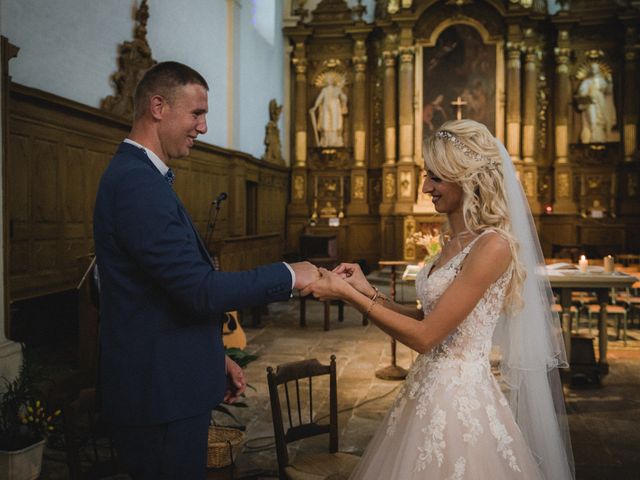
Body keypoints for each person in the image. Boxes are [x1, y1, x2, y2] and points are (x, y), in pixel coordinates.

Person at [302, 119, 575, 479]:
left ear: (466, 177)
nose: (425, 186)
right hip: (426, 388)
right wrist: (365, 290)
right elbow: (424, 317)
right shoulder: (450, 242)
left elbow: (427, 337)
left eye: (435, 176)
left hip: (459, 397)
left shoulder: (493, 246)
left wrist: (345, 295)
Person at [93, 61, 318, 479]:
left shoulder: (143, 178)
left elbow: (161, 295)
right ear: (158, 106)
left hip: (170, 379)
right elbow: (199, 290)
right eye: (196, 114)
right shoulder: (136, 183)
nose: (203, 127)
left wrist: (213, 358)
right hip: (159, 395)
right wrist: (289, 274)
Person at [576, 62, 617, 143]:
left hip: (600, 100)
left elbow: (608, 91)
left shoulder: (602, 80)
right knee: (592, 119)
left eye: (596, 68)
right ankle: (592, 135)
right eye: (593, 68)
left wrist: (610, 82)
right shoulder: (586, 81)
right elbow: (581, 92)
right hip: (591, 102)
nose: (594, 70)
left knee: (602, 118)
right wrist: (588, 92)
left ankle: (601, 135)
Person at [309, 72, 348, 147]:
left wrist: (343, 98)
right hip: (326, 108)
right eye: (328, 79)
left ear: (333, 81)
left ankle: (335, 141)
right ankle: (326, 141)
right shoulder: (324, 90)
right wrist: (315, 107)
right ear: (326, 81)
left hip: (335, 108)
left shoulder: (337, 89)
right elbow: (319, 99)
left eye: (331, 79)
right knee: (325, 123)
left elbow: (343, 97)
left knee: (335, 124)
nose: (329, 80)